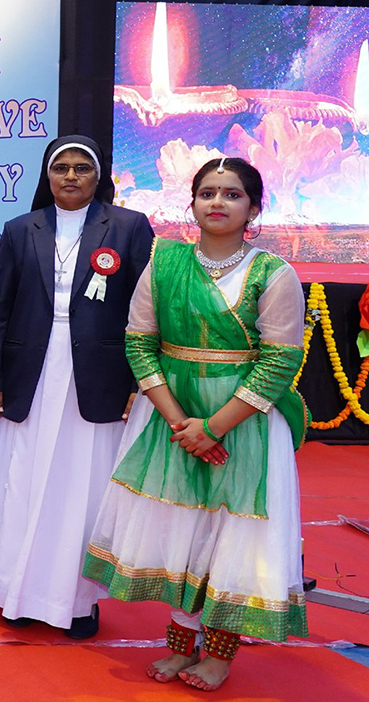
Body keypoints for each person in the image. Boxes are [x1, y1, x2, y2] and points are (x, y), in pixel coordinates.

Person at [83, 157, 307, 692]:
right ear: (192, 203)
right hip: (170, 418)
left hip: (245, 422)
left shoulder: (274, 274)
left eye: (232, 194)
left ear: (254, 208)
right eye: (207, 192)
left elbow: (279, 362)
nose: (217, 202)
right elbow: (140, 343)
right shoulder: (164, 263)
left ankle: (221, 656)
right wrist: (182, 423)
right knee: (179, 531)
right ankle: (181, 646)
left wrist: (214, 428)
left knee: (232, 536)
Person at [0, 135, 155, 639]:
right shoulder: (19, 228)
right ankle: (18, 592)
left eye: (81, 168)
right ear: (47, 175)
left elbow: (146, 312)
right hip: (28, 373)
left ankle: (78, 600)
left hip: (97, 377)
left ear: (98, 176)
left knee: (82, 487)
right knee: (23, 483)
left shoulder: (128, 226)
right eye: (61, 168)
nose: (70, 176)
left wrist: (138, 382)